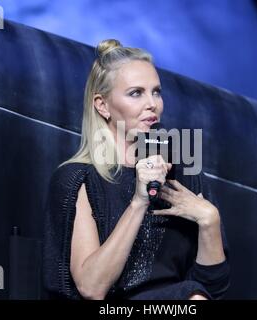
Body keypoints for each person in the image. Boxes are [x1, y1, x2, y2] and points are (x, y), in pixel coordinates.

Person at [42, 39, 230, 300]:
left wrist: (209, 220)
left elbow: (214, 289)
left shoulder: (184, 174)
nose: (152, 103)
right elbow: (92, 288)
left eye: (156, 92)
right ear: (102, 105)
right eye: (136, 93)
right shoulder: (77, 179)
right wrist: (139, 201)